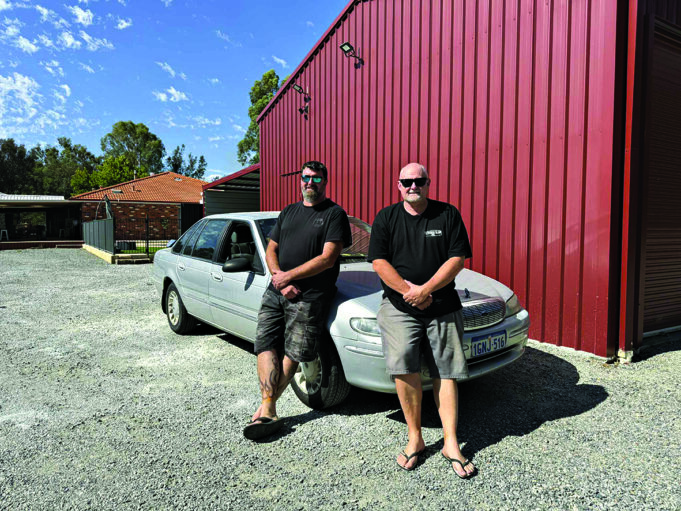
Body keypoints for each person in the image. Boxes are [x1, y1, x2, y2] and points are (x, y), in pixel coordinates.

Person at [367, 162, 476, 478]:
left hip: (442, 306)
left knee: (446, 372)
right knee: (404, 367)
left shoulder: (447, 214)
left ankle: (451, 442)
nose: (413, 185)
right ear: (398, 185)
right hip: (399, 308)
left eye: (419, 180)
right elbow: (379, 261)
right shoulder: (386, 218)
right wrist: (409, 293)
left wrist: (425, 290)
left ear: (428, 183)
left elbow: (457, 259)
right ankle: (415, 437)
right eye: (407, 181)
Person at [243, 161, 351, 440]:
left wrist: (289, 278)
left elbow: (328, 259)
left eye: (316, 178)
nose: (310, 182)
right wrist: (279, 278)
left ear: (325, 181)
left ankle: (267, 408)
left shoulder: (334, 214)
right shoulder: (288, 211)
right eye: (306, 177)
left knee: (295, 350)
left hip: (309, 296)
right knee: (265, 343)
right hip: (276, 289)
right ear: (300, 180)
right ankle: (268, 408)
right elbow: (271, 249)